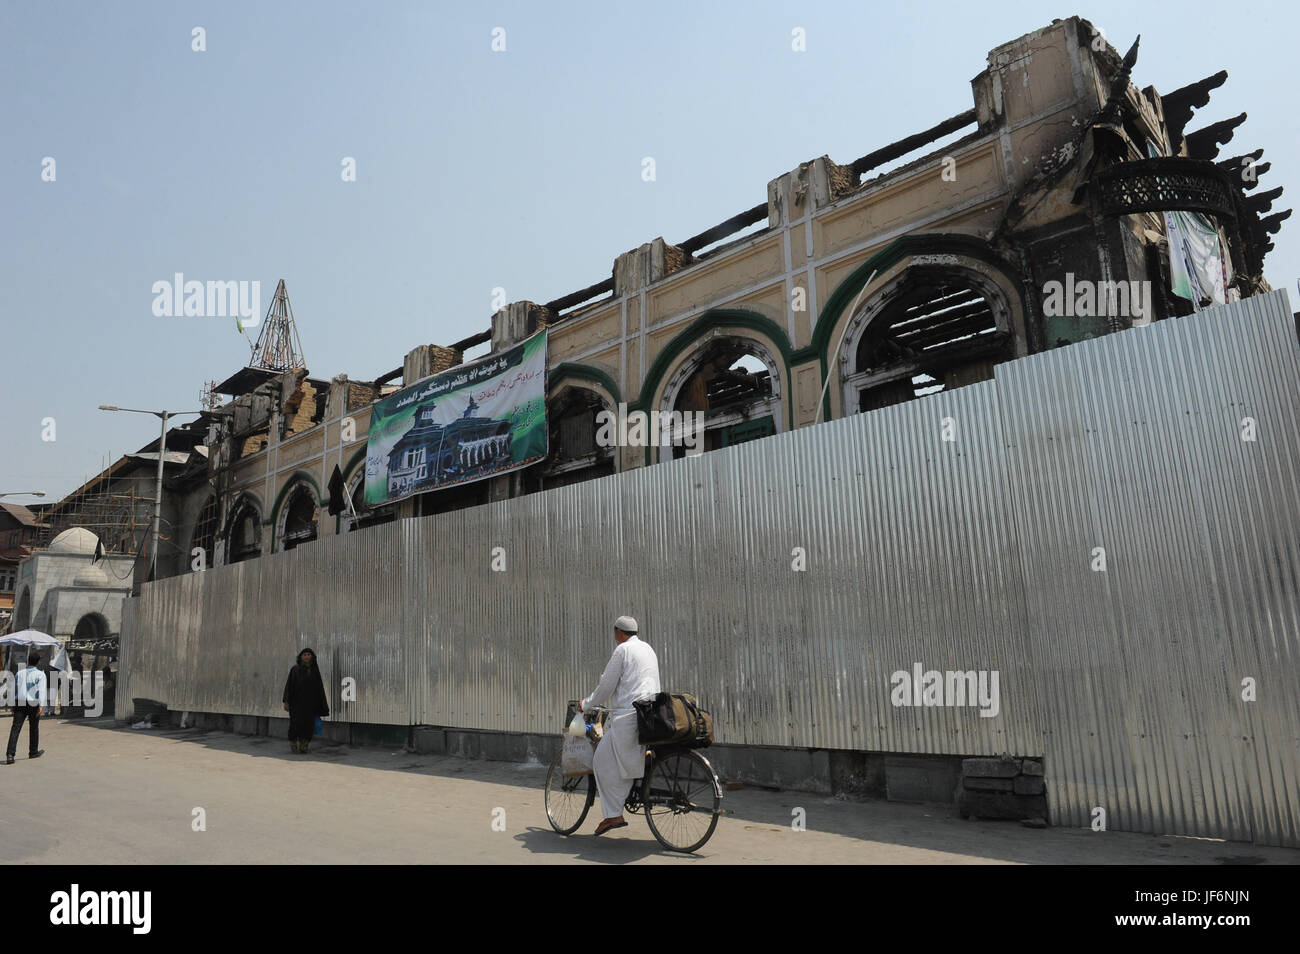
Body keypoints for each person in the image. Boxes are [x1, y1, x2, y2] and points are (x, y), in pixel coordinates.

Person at [579, 615, 660, 836]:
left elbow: (606, 686)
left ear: (618, 632)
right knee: (624, 760)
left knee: (601, 760)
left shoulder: (622, 650)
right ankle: (624, 798)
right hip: (650, 714)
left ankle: (613, 814)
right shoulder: (647, 648)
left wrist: (586, 704)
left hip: (629, 716)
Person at [282, 647, 329, 754]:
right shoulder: (295, 670)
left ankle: (304, 745)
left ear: (312, 656)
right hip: (296, 704)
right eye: (305, 654)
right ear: (301, 657)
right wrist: (286, 701)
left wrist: (320, 704)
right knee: (295, 724)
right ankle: (293, 741)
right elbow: (289, 686)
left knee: (308, 725)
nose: (307, 656)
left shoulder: (314, 670)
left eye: (309, 654)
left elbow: (319, 688)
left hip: (310, 704)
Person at [6, 650, 46, 764]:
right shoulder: (40, 674)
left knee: (15, 729)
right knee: (34, 728)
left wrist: (12, 703)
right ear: (38, 662)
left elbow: (14, 689)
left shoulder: (20, 673)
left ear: (28, 660)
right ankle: (33, 752)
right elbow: (42, 691)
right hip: (33, 703)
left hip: (20, 702)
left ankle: (10, 754)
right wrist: (42, 706)